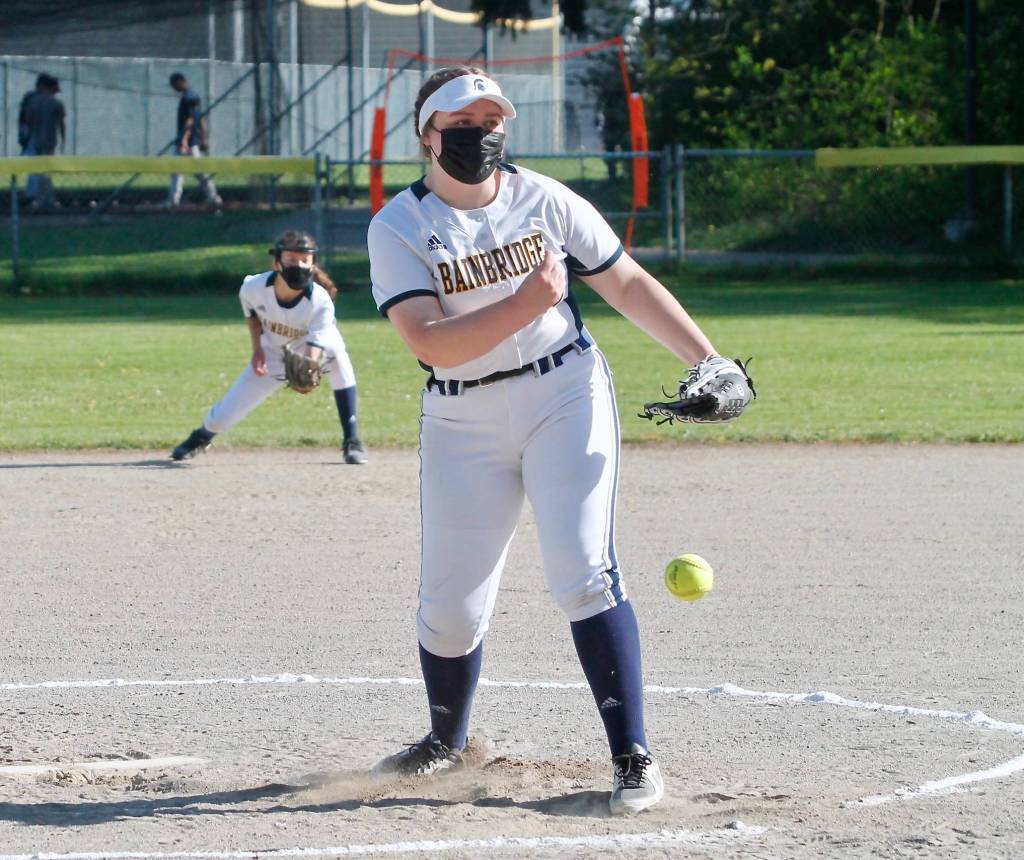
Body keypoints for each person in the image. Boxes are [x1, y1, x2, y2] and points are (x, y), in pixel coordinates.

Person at [367, 67, 753, 815]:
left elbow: (626, 282)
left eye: (492, 118)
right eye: (462, 120)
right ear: (427, 135)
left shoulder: (544, 199)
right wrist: (525, 301)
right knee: (450, 606)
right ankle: (446, 740)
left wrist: (707, 359)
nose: (481, 132)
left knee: (583, 571)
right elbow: (432, 344)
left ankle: (632, 754)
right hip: (460, 418)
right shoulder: (398, 227)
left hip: (564, 394)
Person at [170, 231, 368, 465]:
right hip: (273, 351)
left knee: (337, 356)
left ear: (313, 263)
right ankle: (201, 436)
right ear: (277, 263)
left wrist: (308, 366)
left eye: (305, 259)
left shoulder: (320, 301)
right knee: (222, 416)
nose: (299, 265)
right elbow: (252, 316)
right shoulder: (252, 288)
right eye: (291, 259)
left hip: (311, 348)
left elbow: (317, 342)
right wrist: (257, 351)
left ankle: (352, 439)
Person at [167, 72, 222, 208]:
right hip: (191, 141)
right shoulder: (191, 96)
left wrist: (184, 140)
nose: (173, 88)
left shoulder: (189, 97)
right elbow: (201, 119)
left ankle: (175, 200)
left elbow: (190, 120)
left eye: (174, 84)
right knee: (194, 172)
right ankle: (213, 197)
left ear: (181, 81)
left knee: (187, 171)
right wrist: (203, 138)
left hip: (188, 142)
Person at [22, 74, 65, 208]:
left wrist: (25, 137)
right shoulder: (56, 103)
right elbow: (61, 123)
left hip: (34, 140)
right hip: (49, 141)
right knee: (45, 172)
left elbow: (27, 121)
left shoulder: (32, 101)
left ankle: (36, 198)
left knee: (36, 171)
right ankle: (43, 199)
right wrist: (63, 139)